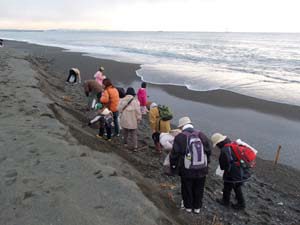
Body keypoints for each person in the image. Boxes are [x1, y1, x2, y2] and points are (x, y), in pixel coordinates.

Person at [170, 117, 211, 214]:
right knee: (199, 188)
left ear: (182, 126)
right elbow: (208, 151)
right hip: (202, 168)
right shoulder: (201, 135)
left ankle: (188, 206)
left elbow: (174, 154)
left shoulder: (180, 137)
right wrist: (206, 163)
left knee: (187, 187)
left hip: (187, 168)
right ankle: (197, 208)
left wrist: (174, 166)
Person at [211, 133, 251, 210]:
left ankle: (237, 204)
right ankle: (234, 202)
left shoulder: (224, 150)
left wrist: (224, 170)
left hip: (233, 173)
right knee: (236, 186)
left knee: (229, 187)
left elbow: (223, 166)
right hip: (242, 170)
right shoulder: (233, 144)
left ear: (219, 143)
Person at [118, 87, 142, 151]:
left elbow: (119, 109)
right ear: (133, 94)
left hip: (124, 119)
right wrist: (139, 119)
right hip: (133, 120)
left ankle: (125, 143)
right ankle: (135, 146)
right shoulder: (136, 101)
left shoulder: (122, 100)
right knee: (133, 134)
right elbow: (138, 112)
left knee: (125, 132)